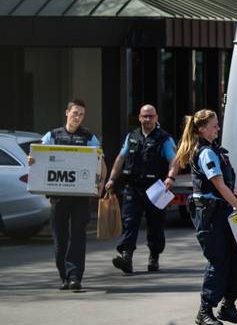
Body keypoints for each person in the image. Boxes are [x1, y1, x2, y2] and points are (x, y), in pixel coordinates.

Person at [174, 109, 237, 325]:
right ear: (202, 129)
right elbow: (219, 186)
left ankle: (228, 306)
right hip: (210, 213)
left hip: (223, 211)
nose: (218, 128)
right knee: (218, 260)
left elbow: (228, 184)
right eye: (214, 125)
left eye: (217, 125)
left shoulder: (215, 150)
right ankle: (205, 310)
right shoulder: (205, 153)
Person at [28, 99, 106, 291]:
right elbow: (37, 156)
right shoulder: (52, 135)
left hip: (80, 198)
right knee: (60, 240)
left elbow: (101, 163)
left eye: (81, 114)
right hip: (58, 197)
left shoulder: (89, 137)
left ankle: (75, 277)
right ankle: (64, 275)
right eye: (75, 113)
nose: (77, 117)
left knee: (78, 237)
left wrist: (101, 185)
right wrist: (31, 160)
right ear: (67, 113)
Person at [106, 105, 178, 274]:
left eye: (150, 116)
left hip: (156, 188)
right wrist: (111, 179)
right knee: (129, 222)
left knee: (156, 224)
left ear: (156, 117)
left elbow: (174, 160)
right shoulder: (131, 136)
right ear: (139, 117)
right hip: (133, 186)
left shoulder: (164, 138)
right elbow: (121, 158)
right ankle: (126, 257)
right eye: (144, 116)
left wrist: (170, 178)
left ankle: (154, 255)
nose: (147, 119)